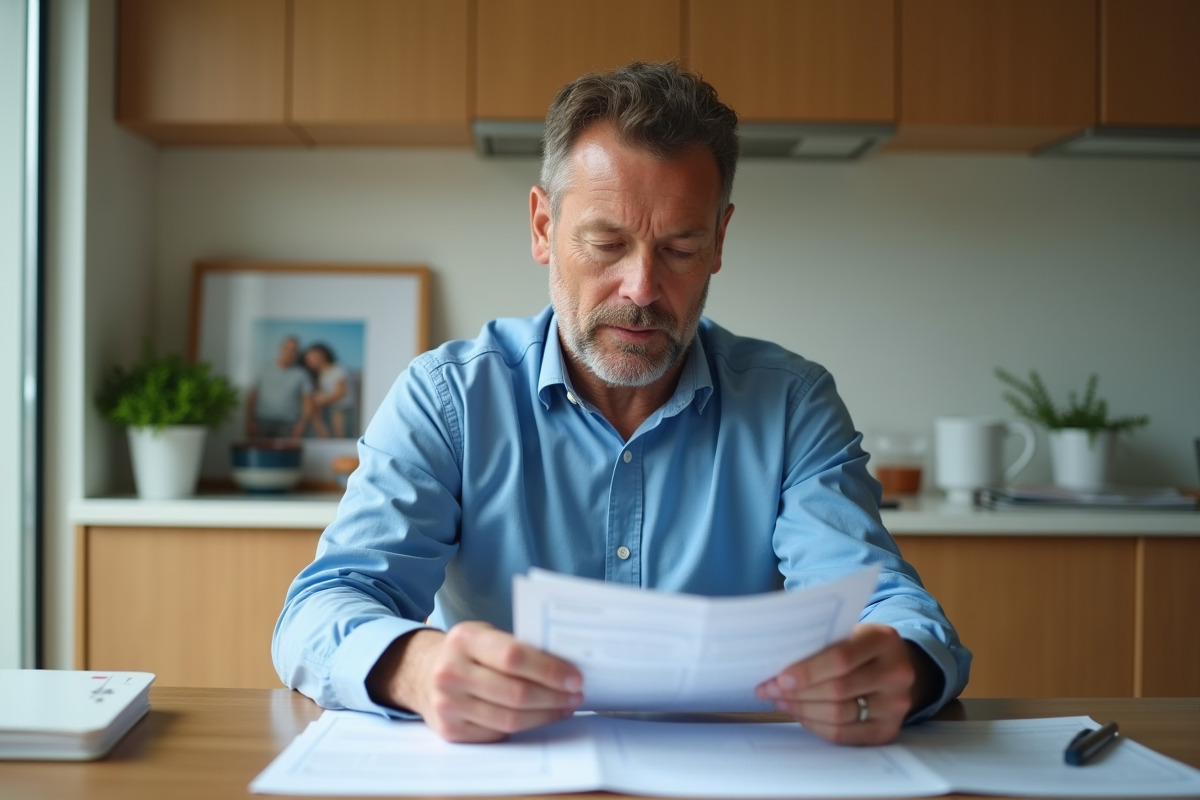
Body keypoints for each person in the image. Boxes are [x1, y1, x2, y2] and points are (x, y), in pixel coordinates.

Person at [273, 61, 971, 746]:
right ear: (544, 228)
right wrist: (413, 667)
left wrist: (901, 663)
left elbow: (887, 603)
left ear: (720, 241)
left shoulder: (791, 404)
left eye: (680, 247)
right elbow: (319, 610)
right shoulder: (447, 399)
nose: (640, 288)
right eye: (607, 243)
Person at [246, 336, 313, 439]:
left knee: (285, 455)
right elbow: (252, 396)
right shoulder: (263, 368)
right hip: (262, 420)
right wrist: (250, 421)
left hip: (289, 423)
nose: (290, 352)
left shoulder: (302, 374)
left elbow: (307, 401)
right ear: (280, 348)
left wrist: (302, 424)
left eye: (294, 350)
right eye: (287, 348)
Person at [302, 343, 356, 439]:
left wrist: (319, 400)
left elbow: (341, 392)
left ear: (322, 355)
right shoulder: (320, 375)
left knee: (340, 438)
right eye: (307, 359)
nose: (309, 361)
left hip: (341, 410)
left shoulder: (337, 368)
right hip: (329, 410)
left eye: (312, 357)